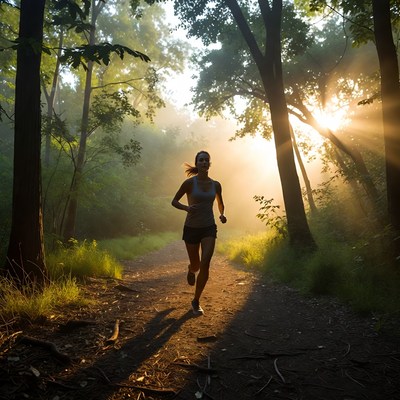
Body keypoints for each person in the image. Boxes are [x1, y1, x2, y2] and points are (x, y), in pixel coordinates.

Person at [171, 150, 227, 315]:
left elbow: (220, 203)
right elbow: (174, 201)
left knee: (205, 264)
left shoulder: (216, 184)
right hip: (191, 228)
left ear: (210, 164)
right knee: (196, 265)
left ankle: (196, 301)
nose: (204, 162)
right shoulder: (189, 183)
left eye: (206, 160)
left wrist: (222, 215)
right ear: (197, 164)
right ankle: (190, 269)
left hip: (209, 227)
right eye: (201, 160)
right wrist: (187, 208)